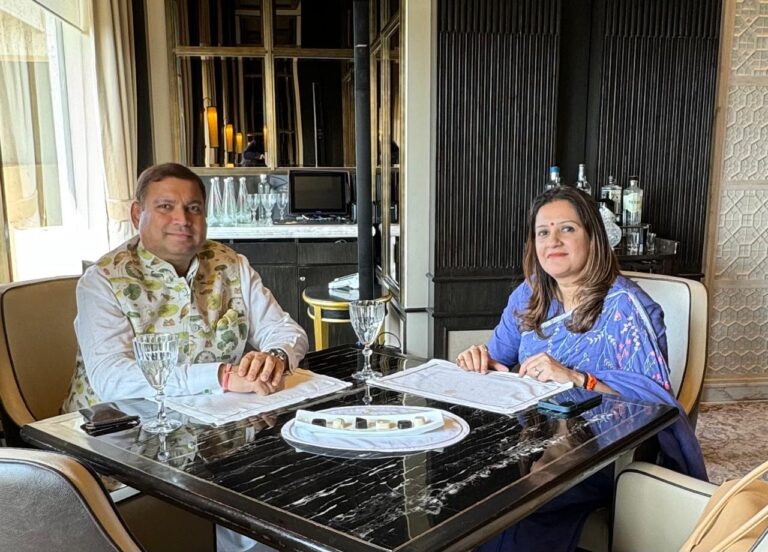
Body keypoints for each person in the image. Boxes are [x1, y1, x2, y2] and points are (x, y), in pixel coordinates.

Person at [62, 162, 308, 552]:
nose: (182, 219)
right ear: (136, 214)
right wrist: (223, 375)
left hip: (219, 437)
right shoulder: (104, 280)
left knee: (292, 493)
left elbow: (286, 331)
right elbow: (111, 378)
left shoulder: (231, 265)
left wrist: (276, 355)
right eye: (165, 207)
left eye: (194, 208)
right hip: (123, 445)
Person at [455, 185, 706, 552]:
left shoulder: (626, 307)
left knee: (514, 520)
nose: (552, 240)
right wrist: (479, 359)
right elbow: (498, 359)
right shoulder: (529, 295)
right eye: (543, 232)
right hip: (528, 442)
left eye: (567, 229)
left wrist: (578, 378)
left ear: (593, 237)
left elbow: (657, 403)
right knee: (463, 497)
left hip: (596, 454)